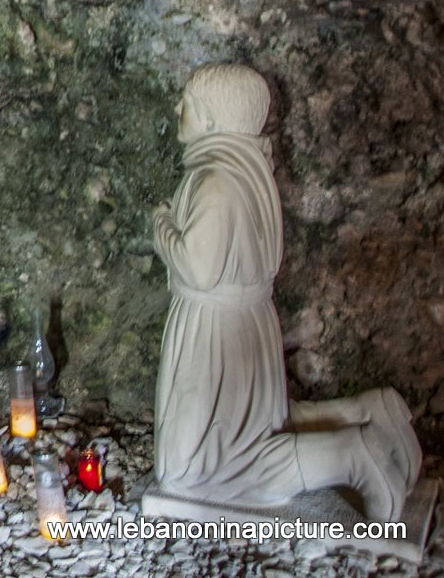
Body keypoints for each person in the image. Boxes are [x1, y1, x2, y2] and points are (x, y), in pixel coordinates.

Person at [153, 63, 420, 521]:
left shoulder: (215, 182)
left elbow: (199, 269)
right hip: (248, 321)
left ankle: (353, 456)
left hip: (214, 331)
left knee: (192, 471)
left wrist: (161, 225)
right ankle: (366, 413)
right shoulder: (251, 172)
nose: (178, 108)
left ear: (213, 119)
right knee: (247, 430)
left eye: (188, 103)